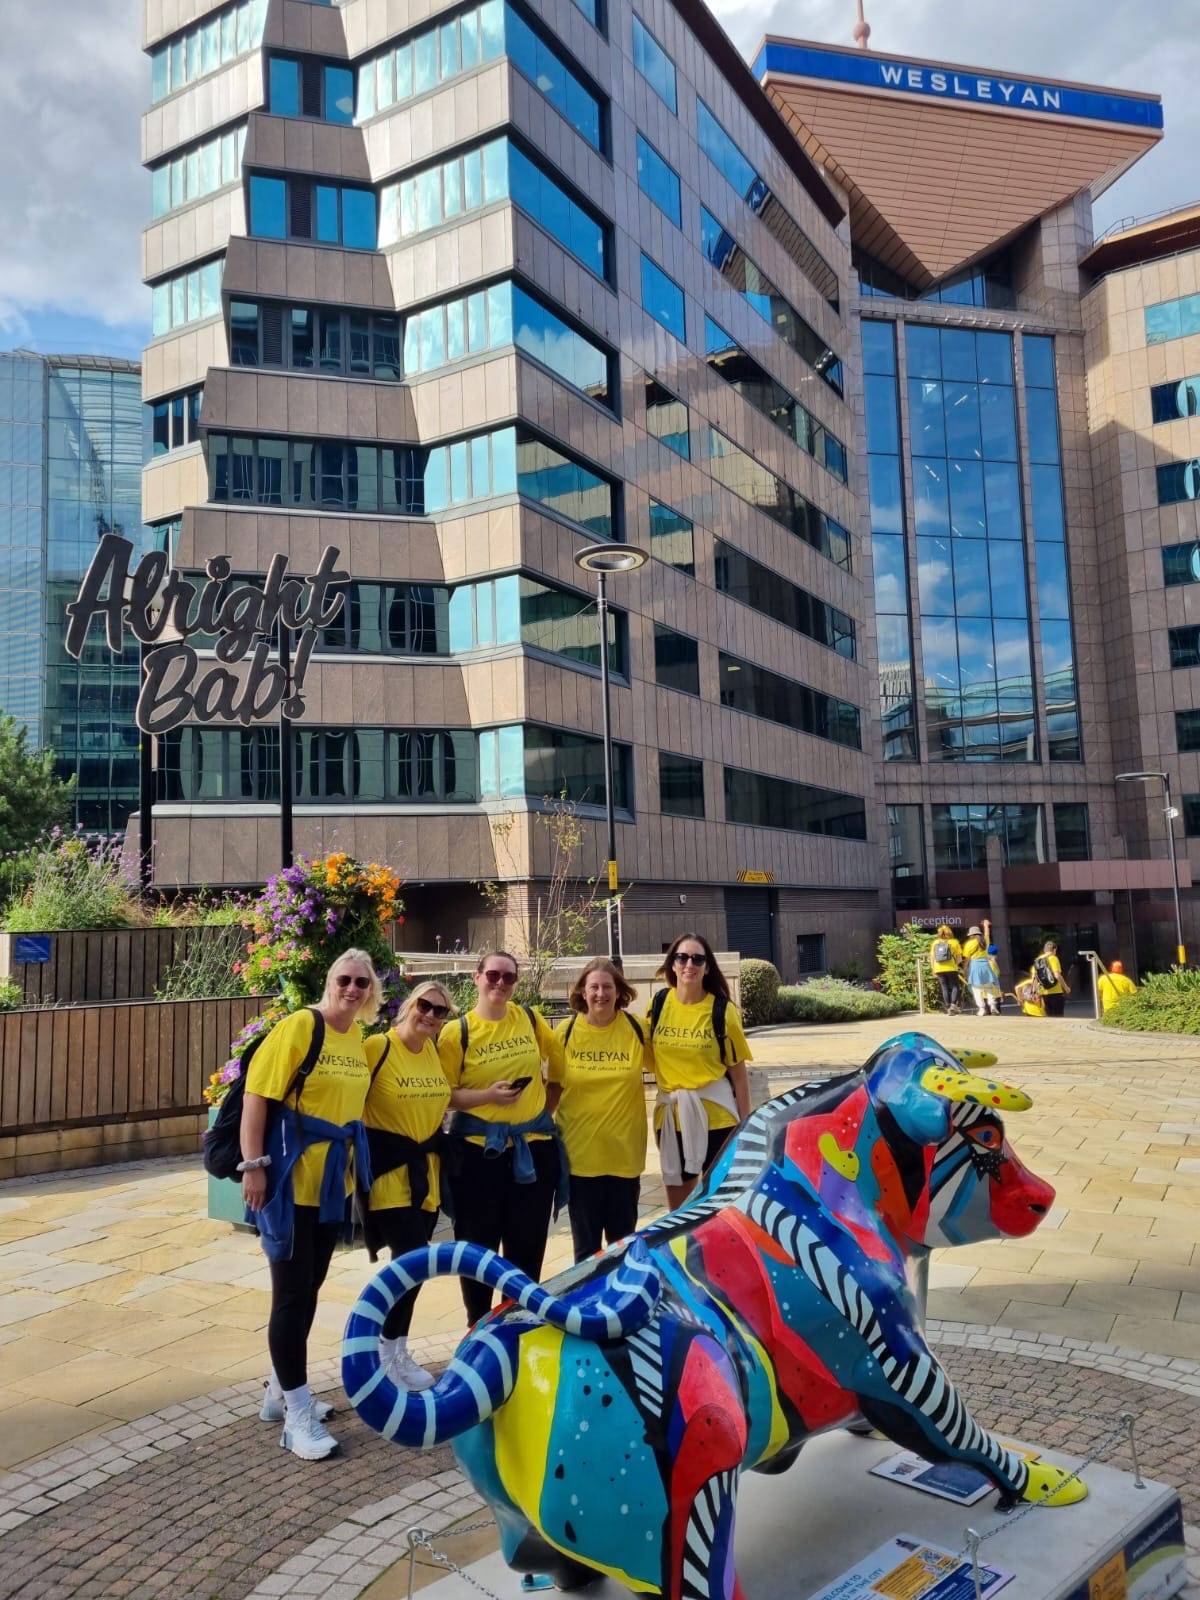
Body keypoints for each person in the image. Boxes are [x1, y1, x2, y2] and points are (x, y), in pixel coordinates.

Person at [241, 948, 379, 1460]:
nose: (352, 989)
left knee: (311, 1288)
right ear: (329, 981)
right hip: (291, 1182)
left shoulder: (357, 1037)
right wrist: (253, 1167)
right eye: (345, 979)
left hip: (332, 1185)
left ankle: (281, 1394)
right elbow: (258, 1094)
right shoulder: (303, 1026)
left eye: (362, 983)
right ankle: (296, 1417)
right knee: (290, 1296)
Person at [439, 950, 565, 1325]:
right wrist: (487, 1097)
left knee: (526, 1248)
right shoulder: (455, 1033)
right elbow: (444, 1094)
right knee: (478, 1247)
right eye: (493, 974)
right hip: (478, 1156)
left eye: (509, 977)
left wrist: (543, 1113)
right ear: (477, 977)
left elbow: (558, 1069)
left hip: (531, 1153)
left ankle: (518, 1327)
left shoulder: (529, 1019)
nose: (500, 983)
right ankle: (477, 1325)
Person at [361, 980, 454, 1391]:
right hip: (390, 1173)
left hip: (426, 1175)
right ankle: (383, 1352)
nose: (431, 1015)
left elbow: (444, 1101)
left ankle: (397, 1349)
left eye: (440, 1011)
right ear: (408, 1006)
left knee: (415, 1268)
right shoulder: (377, 1048)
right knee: (410, 1263)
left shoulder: (432, 1052)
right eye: (425, 1005)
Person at [546, 956, 649, 1263]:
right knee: (586, 1257)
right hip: (580, 1161)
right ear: (582, 992)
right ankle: (586, 1312)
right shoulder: (564, 1033)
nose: (601, 994)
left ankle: (618, 1311)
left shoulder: (636, 1029)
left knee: (622, 1253)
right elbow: (553, 1088)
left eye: (608, 987)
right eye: (594, 987)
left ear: (619, 992)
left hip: (624, 1159)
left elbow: (675, 1068)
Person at [649, 932, 751, 1211]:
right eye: (682, 957)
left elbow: (740, 1079)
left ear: (707, 967)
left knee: (720, 1206)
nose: (689, 965)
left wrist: (746, 1128)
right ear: (672, 964)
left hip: (717, 1121)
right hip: (672, 1121)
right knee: (680, 1214)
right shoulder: (658, 1005)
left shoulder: (722, 1012)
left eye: (697, 959)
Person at [929, 924, 964, 1014]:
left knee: (944, 987)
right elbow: (959, 958)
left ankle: (948, 1007)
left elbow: (932, 957)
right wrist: (955, 964)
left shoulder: (935, 943)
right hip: (951, 967)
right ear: (950, 933)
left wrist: (933, 969)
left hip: (938, 968)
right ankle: (953, 1005)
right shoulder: (954, 942)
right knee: (954, 986)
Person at [1032, 940, 1070, 1018]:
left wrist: (1034, 992)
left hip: (1044, 993)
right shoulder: (1053, 958)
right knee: (1058, 1017)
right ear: (1054, 949)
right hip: (1056, 992)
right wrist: (1066, 988)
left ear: (1044, 950)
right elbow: (1057, 975)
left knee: (1049, 1017)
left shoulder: (1038, 961)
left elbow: (1035, 978)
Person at [967, 944, 1002, 1017]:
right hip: (995, 994)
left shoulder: (982, 962)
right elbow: (997, 974)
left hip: (984, 995)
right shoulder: (993, 963)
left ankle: (982, 1010)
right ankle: (993, 1008)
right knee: (996, 1011)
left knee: (977, 991)